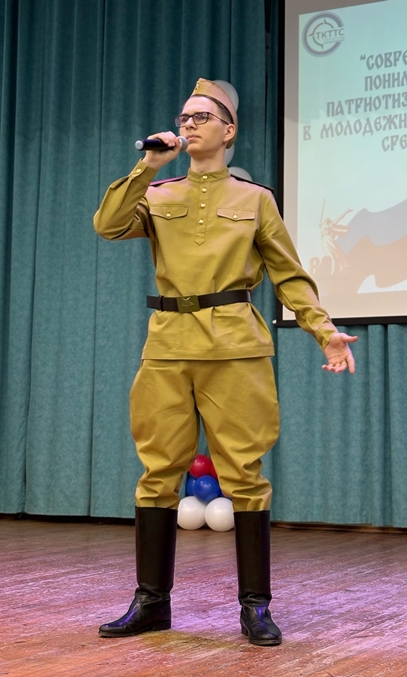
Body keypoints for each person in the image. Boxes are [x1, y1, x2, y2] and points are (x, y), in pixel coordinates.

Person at [93, 78, 357, 646]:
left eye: (201, 117)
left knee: (245, 475)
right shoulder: (158, 193)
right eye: (184, 117)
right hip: (167, 345)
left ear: (228, 130)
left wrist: (324, 331)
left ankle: (255, 607)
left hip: (236, 346)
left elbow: (288, 275)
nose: (188, 125)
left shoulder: (255, 199)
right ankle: (151, 602)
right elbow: (108, 224)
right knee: (157, 473)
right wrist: (147, 165)